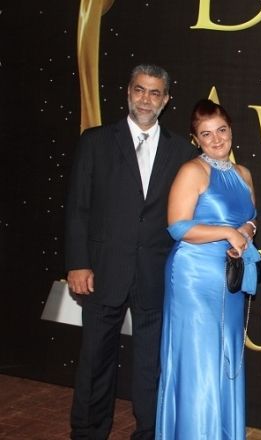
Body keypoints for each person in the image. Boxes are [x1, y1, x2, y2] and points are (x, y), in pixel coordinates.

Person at [65, 64, 198, 439]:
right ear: (128, 92)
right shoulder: (95, 142)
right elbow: (78, 208)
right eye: (140, 90)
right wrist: (78, 263)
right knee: (95, 361)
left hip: (155, 274)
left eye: (155, 93)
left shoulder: (182, 151)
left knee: (151, 366)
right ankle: (88, 432)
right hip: (103, 270)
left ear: (166, 100)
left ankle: (149, 432)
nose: (146, 99)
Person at [155, 99, 259, 439]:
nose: (216, 139)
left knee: (226, 357)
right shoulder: (193, 171)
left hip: (228, 277)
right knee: (200, 360)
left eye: (221, 130)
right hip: (194, 277)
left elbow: (251, 219)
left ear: (231, 130)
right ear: (195, 139)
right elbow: (177, 227)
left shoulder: (243, 174)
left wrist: (247, 230)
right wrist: (227, 232)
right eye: (206, 133)